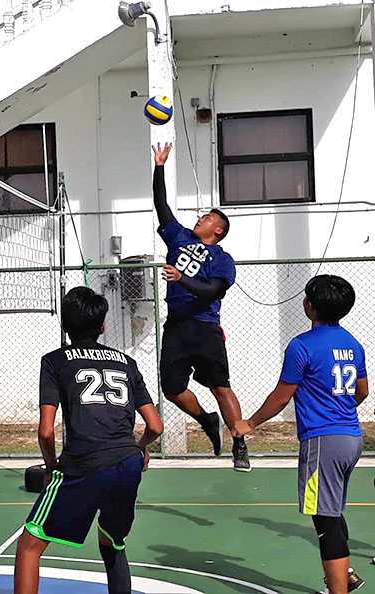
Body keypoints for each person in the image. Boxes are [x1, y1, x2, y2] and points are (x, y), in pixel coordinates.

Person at [14, 287, 163, 594]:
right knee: (112, 542)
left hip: (85, 462)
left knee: (29, 545)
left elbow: (46, 431)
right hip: (127, 463)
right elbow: (155, 426)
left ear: (65, 326)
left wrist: (52, 468)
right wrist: (139, 448)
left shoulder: (55, 361)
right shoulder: (127, 362)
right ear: (103, 326)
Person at [233, 275, 368, 594]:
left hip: (323, 441)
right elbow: (361, 391)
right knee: (332, 513)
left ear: (310, 306)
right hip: (351, 437)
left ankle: (339, 589)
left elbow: (282, 396)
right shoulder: (353, 344)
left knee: (325, 521)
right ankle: (344, 577)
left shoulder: (302, 345)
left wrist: (250, 423)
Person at [152, 142, 249, 471]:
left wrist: (181, 279)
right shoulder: (179, 239)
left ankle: (239, 442)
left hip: (205, 328)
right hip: (176, 326)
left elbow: (212, 291)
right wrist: (159, 166)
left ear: (217, 230)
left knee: (220, 386)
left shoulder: (222, 258)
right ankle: (207, 420)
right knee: (172, 389)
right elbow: (161, 205)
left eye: (206, 218)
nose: (200, 219)